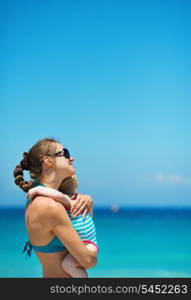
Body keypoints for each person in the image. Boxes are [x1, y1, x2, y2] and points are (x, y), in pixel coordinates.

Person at [13, 138, 98, 278]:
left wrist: (88, 202)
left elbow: (79, 230)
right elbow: (88, 261)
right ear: (48, 161)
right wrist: (94, 258)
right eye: (65, 153)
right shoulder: (50, 206)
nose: (72, 158)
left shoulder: (42, 200)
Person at [27, 175, 98, 277]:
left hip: (89, 244)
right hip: (90, 243)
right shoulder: (77, 202)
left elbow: (58, 195)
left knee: (68, 264)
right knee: (69, 264)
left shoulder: (70, 202)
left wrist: (38, 190)